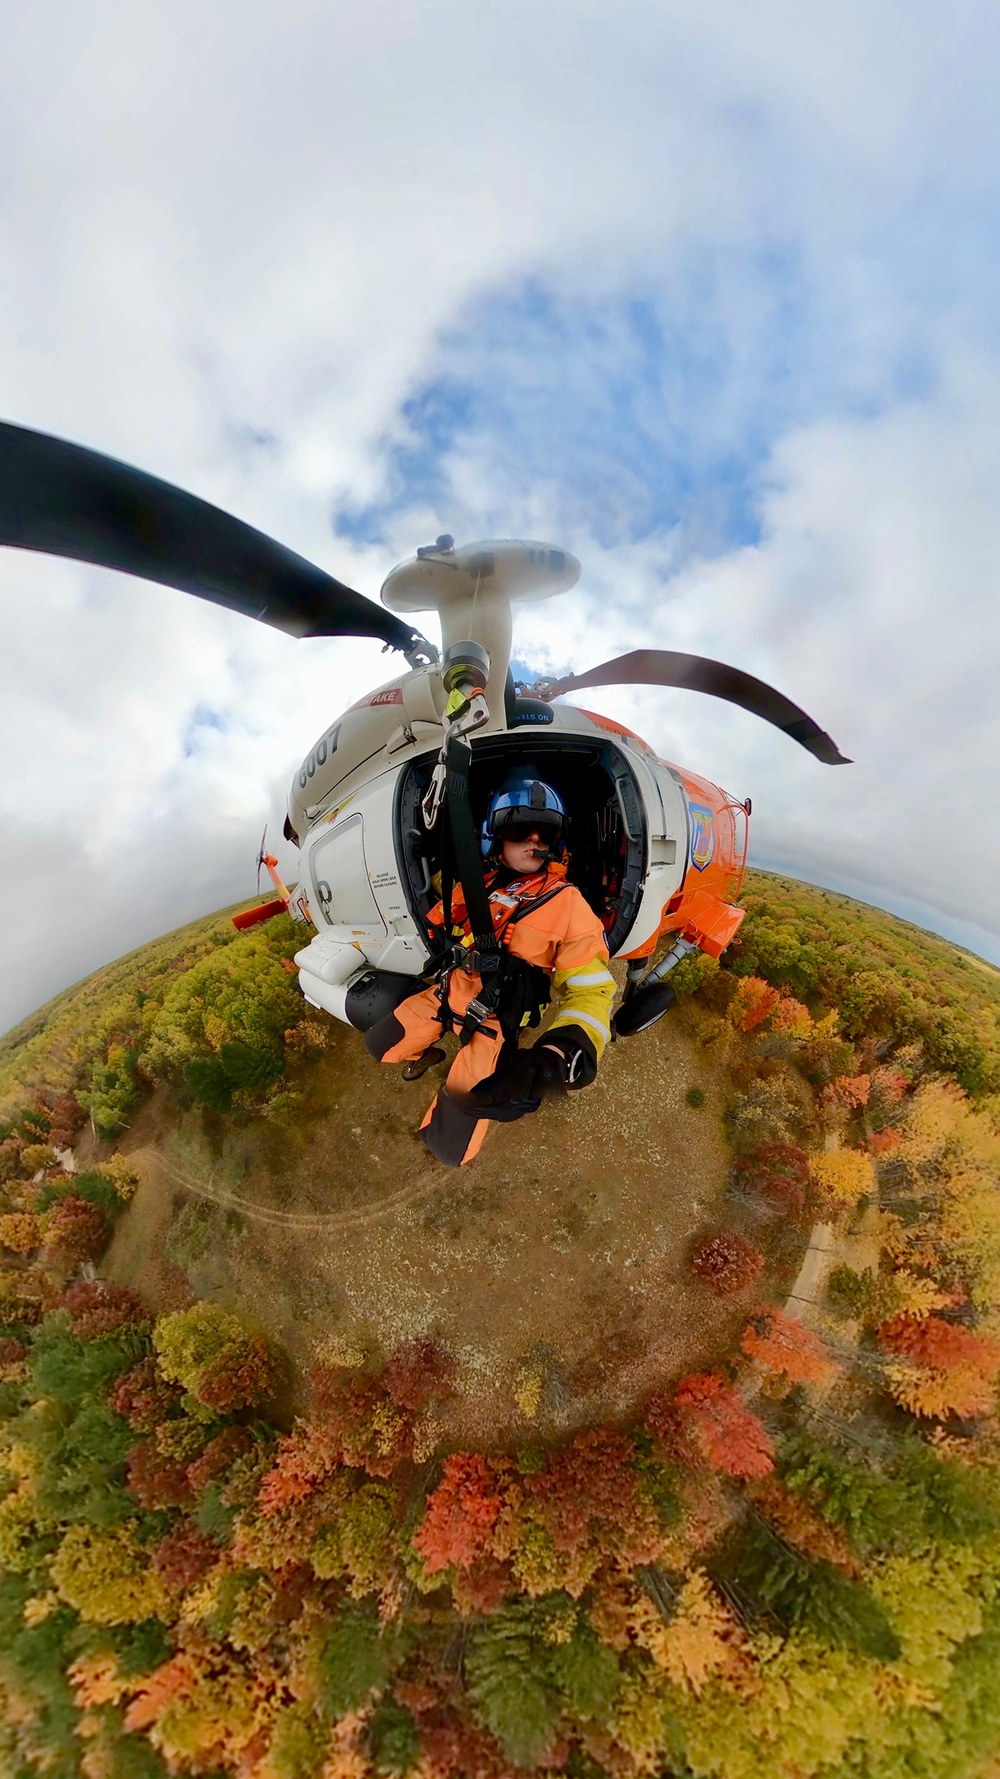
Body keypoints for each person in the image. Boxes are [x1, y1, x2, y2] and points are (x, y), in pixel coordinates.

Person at [365, 775, 616, 1166]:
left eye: (545, 833)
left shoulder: (569, 905)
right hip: (446, 994)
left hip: (493, 1022)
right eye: (518, 829)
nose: (533, 841)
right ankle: (428, 1052)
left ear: (556, 842)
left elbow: (592, 992)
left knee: (450, 1148)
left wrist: (554, 1058)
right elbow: (441, 917)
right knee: (378, 1047)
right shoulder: (483, 881)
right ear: (497, 836)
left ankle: (462, 1076)